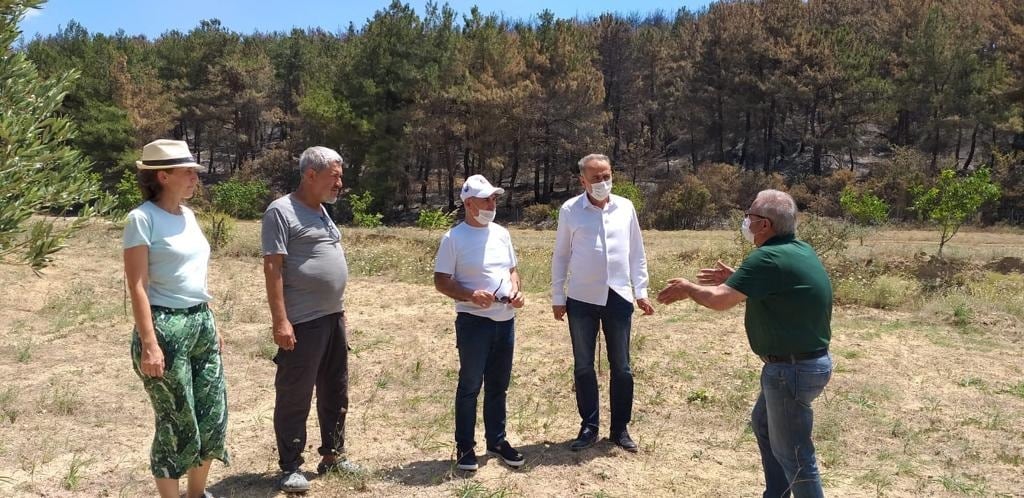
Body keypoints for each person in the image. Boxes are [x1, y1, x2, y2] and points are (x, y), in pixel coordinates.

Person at [656, 189, 833, 498]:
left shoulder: (767, 257)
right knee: (763, 425)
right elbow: (783, 287)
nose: (745, 220)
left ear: (764, 225)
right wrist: (739, 277)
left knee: (796, 455)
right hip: (807, 364)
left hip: (790, 370)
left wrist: (688, 288)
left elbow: (720, 300)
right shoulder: (800, 250)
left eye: (749, 215)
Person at [124, 139, 229, 498]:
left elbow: (194, 276)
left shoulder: (189, 216)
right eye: (186, 172)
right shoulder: (141, 219)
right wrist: (149, 343)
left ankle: (197, 494)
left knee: (212, 416)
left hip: (199, 322)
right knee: (176, 422)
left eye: (194, 172)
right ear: (162, 176)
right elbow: (137, 285)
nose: (193, 178)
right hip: (164, 327)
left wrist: (210, 321)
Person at [261, 146, 357, 493]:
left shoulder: (321, 212)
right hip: (302, 320)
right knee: (294, 394)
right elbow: (273, 268)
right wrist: (280, 321)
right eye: (334, 176)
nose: (340, 183)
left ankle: (333, 454)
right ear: (310, 174)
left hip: (333, 317)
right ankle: (290, 466)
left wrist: (339, 307)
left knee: (336, 388)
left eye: (341, 176)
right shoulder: (281, 212)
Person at [551, 153, 655, 453]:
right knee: (584, 365)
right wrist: (558, 297)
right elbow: (561, 256)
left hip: (619, 296)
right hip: (581, 298)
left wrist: (641, 291)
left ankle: (620, 429)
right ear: (582, 180)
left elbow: (637, 252)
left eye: (607, 175)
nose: (603, 182)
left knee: (621, 366)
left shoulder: (625, 207)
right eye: (596, 178)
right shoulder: (571, 210)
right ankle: (589, 426)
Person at [433, 174, 527, 471]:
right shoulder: (453, 238)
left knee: (499, 385)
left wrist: (516, 291)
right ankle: (465, 447)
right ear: (469, 203)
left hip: (505, 320)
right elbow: (441, 281)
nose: (492, 203)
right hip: (474, 323)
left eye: (495, 198)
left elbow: (512, 271)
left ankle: (497, 441)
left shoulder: (501, 233)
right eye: (486, 199)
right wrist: (471, 295)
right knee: (471, 385)